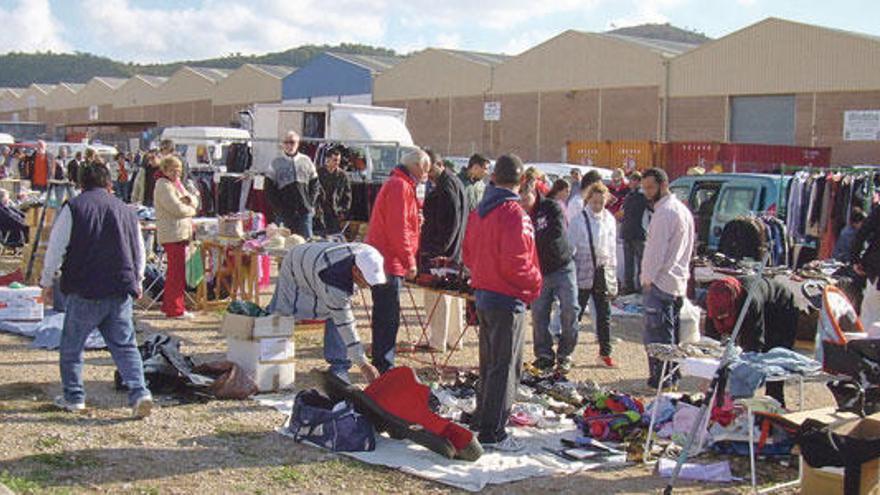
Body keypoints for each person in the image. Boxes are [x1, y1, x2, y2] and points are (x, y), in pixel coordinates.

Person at [39, 162, 151, 418]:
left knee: (72, 347)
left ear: (80, 184)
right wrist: (139, 280)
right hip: (120, 288)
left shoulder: (74, 208)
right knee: (125, 346)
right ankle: (140, 393)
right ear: (109, 183)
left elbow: (56, 248)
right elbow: (139, 250)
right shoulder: (125, 210)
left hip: (85, 288)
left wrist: (47, 282)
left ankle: (74, 397)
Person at [463, 154, 542, 452]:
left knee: (490, 364)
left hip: (484, 292)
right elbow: (518, 262)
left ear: (493, 178)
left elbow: (468, 253)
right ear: (521, 182)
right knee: (505, 366)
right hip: (507, 297)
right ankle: (493, 432)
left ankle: (484, 419)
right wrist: (534, 286)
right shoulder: (514, 213)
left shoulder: (480, 211)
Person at [270, 241, 383, 383]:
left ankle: (339, 367)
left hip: (315, 260)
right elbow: (345, 322)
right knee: (282, 313)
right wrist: (363, 364)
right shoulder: (332, 280)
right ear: (355, 270)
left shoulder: (370, 254)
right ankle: (271, 361)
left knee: (337, 311)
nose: (367, 286)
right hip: (295, 263)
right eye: (366, 281)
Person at [366, 149, 430, 372]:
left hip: (388, 259)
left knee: (386, 313)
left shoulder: (401, 185)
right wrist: (409, 260)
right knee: (387, 315)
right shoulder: (399, 186)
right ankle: (384, 364)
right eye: (426, 169)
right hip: (388, 261)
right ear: (417, 166)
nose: (427, 175)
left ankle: (383, 360)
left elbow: (402, 225)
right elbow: (397, 228)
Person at [640, 168, 695, 390]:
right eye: (644, 188)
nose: (646, 193)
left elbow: (655, 252)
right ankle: (671, 377)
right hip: (676, 281)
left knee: (658, 338)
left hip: (661, 282)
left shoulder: (665, 213)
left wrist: (647, 279)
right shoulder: (682, 210)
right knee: (671, 336)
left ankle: (662, 380)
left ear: (663, 185)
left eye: (650, 188)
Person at [706, 275, 798, 406]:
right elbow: (711, 342)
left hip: (781, 308)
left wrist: (742, 375)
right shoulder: (713, 300)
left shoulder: (750, 301)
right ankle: (719, 402)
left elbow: (755, 343)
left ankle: (775, 405)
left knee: (773, 358)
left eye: (725, 315)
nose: (721, 318)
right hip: (756, 304)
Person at [520, 179, 579, 374]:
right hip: (540, 272)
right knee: (539, 315)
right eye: (519, 198)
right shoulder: (519, 214)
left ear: (534, 193)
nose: (523, 202)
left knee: (570, 309)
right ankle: (544, 355)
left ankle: (565, 354)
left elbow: (556, 232)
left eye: (525, 197)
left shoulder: (550, 207)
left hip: (563, 266)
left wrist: (531, 241)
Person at [419, 149, 468, 352]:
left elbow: (450, 223)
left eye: (429, 169)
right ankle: (454, 339)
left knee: (438, 297)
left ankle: (438, 341)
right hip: (454, 251)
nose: (427, 175)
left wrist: (439, 251)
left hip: (443, 252)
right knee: (453, 298)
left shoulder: (446, 187)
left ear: (439, 165)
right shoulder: (454, 183)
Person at [569, 182, 618, 367]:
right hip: (582, 268)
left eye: (601, 202)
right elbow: (570, 246)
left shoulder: (609, 220)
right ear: (588, 200)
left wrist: (613, 275)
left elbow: (612, 248)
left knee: (604, 314)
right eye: (594, 202)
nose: (597, 206)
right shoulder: (578, 220)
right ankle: (568, 351)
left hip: (602, 270)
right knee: (577, 313)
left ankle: (605, 352)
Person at [153, 156, 199, 319]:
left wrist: (191, 202)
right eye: (173, 170)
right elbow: (176, 208)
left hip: (180, 233)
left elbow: (193, 198)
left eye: (179, 170)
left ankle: (170, 306)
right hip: (172, 234)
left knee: (177, 272)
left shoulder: (176, 184)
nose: (176, 173)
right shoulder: (163, 185)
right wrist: (192, 209)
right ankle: (175, 309)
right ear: (165, 170)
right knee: (175, 273)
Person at [266, 131, 320, 238]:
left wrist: (310, 204)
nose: (289, 145)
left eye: (292, 142)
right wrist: (278, 208)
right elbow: (269, 189)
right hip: (284, 213)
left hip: (304, 212)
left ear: (298, 143)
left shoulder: (306, 161)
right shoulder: (276, 163)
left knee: (306, 242)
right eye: (286, 142)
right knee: (283, 243)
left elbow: (315, 184)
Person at [852, 205, 880, 328]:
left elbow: (863, 232)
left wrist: (855, 259)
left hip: (876, 268)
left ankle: (865, 345)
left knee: (870, 312)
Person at [621, 171, 648, 294]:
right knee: (629, 263)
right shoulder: (629, 196)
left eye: (635, 180)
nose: (632, 183)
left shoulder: (643, 196)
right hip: (628, 233)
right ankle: (630, 287)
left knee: (640, 263)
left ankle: (639, 287)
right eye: (632, 180)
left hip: (638, 234)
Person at [316, 149, 352, 235]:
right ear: (328, 159)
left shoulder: (343, 176)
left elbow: (347, 195)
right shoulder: (318, 173)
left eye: (339, 160)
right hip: (320, 212)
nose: (337, 163)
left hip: (334, 213)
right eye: (335, 160)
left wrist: (343, 211)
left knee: (334, 237)